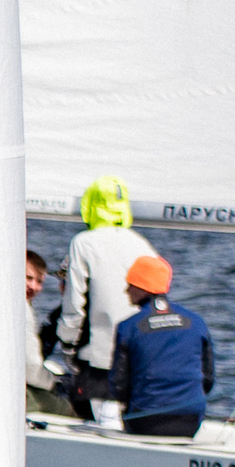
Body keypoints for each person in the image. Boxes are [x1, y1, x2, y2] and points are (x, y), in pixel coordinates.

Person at [54, 177, 161, 426]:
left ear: (89, 204)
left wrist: (67, 342)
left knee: (104, 421)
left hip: (99, 355)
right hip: (140, 353)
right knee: (126, 420)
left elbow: (74, 302)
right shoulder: (142, 244)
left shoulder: (83, 242)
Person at [108, 254, 216, 439]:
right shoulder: (196, 322)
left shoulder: (128, 327)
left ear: (143, 288)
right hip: (191, 421)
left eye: (131, 284)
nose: (126, 290)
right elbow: (208, 379)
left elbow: (118, 385)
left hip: (146, 421)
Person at [23, 249, 71, 415]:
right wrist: (54, 384)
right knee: (67, 408)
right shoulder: (22, 310)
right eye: (28, 278)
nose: (34, 287)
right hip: (26, 387)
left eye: (39, 281)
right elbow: (31, 365)